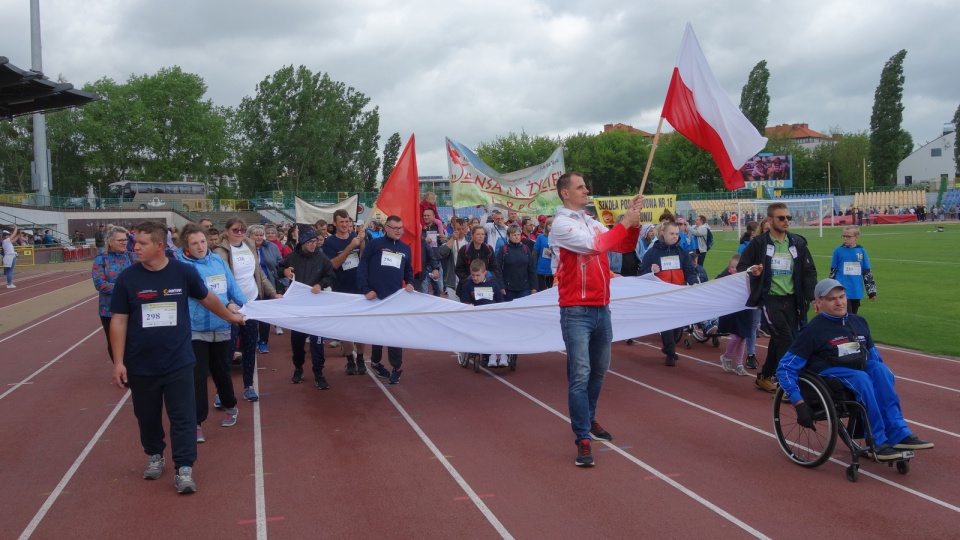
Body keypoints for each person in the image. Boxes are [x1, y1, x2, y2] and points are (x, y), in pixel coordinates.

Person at [109, 220, 245, 494]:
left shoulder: (183, 273)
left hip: (179, 360)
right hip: (141, 364)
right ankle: (155, 454)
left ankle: (184, 468)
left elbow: (208, 298)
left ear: (159, 246)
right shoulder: (127, 278)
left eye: (142, 243)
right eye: (135, 243)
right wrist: (119, 362)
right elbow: (119, 321)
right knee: (146, 416)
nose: (135, 248)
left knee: (183, 416)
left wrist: (230, 316)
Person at [777, 279, 934, 460]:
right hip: (830, 375)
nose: (839, 302)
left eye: (842, 297)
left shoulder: (859, 322)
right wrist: (799, 402)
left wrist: (882, 376)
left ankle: (899, 433)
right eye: (832, 299)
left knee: (881, 371)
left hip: (858, 370)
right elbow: (785, 367)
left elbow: (874, 358)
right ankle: (876, 440)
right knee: (861, 378)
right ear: (819, 303)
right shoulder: (812, 331)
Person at [549, 172, 641, 467]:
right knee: (580, 374)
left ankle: (588, 419)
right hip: (576, 309)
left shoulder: (591, 220)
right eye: (580, 187)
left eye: (586, 186)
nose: (586, 190)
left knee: (599, 370)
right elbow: (596, 246)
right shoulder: (561, 225)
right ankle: (582, 437)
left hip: (602, 308)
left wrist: (634, 222)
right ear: (565, 193)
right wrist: (624, 222)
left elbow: (622, 246)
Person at [737, 203, 818, 393]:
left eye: (788, 218)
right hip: (769, 300)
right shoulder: (759, 243)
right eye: (781, 218)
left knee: (779, 340)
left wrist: (814, 298)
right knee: (787, 340)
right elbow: (742, 268)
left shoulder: (797, 243)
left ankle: (764, 376)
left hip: (793, 300)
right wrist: (753, 272)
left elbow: (808, 273)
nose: (786, 221)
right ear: (770, 220)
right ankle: (787, 385)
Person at [176, 224, 247, 442]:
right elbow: (202, 295)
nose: (199, 246)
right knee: (197, 377)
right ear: (186, 246)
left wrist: (245, 307)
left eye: (203, 241)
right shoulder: (181, 267)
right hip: (196, 328)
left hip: (222, 326)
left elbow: (232, 288)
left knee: (221, 372)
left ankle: (231, 405)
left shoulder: (218, 261)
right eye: (194, 243)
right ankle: (196, 422)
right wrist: (228, 305)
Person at [213, 218, 280, 402]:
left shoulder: (250, 245)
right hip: (232, 307)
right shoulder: (220, 251)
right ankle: (222, 391)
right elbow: (220, 280)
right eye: (235, 230)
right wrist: (227, 304)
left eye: (242, 229)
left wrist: (273, 293)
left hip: (251, 303)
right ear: (226, 231)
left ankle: (248, 385)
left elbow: (259, 273)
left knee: (250, 346)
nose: (239, 233)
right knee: (228, 350)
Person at [357, 215, 415, 385]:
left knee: (394, 334)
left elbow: (408, 272)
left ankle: (397, 368)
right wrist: (366, 289)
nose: (399, 231)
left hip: (394, 299)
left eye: (401, 228)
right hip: (374, 298)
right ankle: (375, 362)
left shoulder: (405, 249)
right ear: (386, 228)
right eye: (395, 228)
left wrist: (410, 283)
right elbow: (363, 266)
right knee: (378, 333)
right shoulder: (375, 245)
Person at [279, 224, 336, 388]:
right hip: (298, 307)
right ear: (302, 242)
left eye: (316, 241)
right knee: (297, 342)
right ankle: (298, 367)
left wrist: (320, 284)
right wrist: (285, 272)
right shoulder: (292, 257)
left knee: (317, 342)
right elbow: (280, 267)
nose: (314, 244)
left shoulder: (322, 258)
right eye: (310, 241)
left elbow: (330, 276)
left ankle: (318, 371)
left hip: (315, 307)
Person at [640, 221, 697, 366]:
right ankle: (671, 353)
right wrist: (650, 270)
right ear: (662, 234)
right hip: (661, 294)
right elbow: (641, 272)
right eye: (672, 233)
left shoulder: (681, 252)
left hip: (678, 293)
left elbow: (689, 271)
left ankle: (668, 347)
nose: (675, 236)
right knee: (667, 325)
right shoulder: (652, 252)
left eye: (677, 234)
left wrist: (694, 282)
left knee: (677, 326)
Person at [322, 209, 368, 375]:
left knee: (361, 327)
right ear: (334, 223)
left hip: (359, 288)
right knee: (345, 328)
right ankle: (350, 360)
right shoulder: (330, 243)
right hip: (340, 289)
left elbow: (364, 260)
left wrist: (361, 243)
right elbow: (333, 265)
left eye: (347, 221)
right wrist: (350, 247)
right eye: (341, 222)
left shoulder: (355, 238)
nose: (345, 225)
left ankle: (361, 358)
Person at [91, 226, 138, 361]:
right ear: (110, 242)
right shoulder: (101, 260)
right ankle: (121, 368)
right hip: (109, 309)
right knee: (115, 342)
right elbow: (99, 283)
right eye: (120, 240)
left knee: (134, 340)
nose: (124, 242)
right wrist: (124, 289)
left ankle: (134, 370)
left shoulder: (133, 257)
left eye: (125, 240)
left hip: (132, 307)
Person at [458, 259, 509, 367]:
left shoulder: (493, 284)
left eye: (478, 275)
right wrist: (469, 305)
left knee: (502, 327)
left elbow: (500, 301)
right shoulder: (468, 285)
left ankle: (503, 354)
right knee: (487, 329)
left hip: (493, 315)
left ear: (485, 273)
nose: (475, 278)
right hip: (477, 317)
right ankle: (491, 355)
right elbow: (465, 301)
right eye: (473, 275)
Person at [717, 254, 756, 376]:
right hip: (734, 311)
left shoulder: (747, 277)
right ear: (729, 266)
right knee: (736, 337)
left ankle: (739, 364)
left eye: (738, 268)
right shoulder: (726, 276)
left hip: (746, 311)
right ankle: (727, 356)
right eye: (733, 267)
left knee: (743, 337)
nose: (735, 270)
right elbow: (716, 283)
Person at [248, 224, 282, 353]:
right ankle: (252, 338)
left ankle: (263, 341)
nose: (259, 237)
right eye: (256, 235)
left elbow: (280, 262)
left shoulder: (271, 246)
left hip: (269, 285)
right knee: (251, 315)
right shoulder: (245, 248)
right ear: (249, 236)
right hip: (251, 286)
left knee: (264, 315)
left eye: (261, 235)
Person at [829, 226, 877, 315]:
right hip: (842, 290)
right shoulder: (838, 251)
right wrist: (830, 288)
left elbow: (867, 272)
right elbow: (833, 272)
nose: (845, 238)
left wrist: (871, 291)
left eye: (848, 236)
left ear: (856, 237)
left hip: (856, 290)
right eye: (843, 236)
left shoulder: (861, 251)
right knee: (845, 314)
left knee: (853, 315)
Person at [455, 225, 499, 299]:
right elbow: (459, 269)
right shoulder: (464, 250)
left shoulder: (489, 249)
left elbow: (494, 268)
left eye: (482, 234)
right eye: (478, 234)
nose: (481, 236)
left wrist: (487, 278)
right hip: (468, 286)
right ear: (472, 235)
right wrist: (468, 280)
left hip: (486, 286)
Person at [497, 225, 537, 301]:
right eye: (514, 235)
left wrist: (534, 287)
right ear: (509, 236)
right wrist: (501, 286)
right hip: (508, 288)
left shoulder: (525, 248)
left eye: (518, 235)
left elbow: (531, 269)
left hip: (524, 288)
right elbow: (498, 269)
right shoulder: (504, 249)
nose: (516, 237)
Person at [436, 217, 468, 298]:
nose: (460, 231)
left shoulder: (470, 241)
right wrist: (453, 239)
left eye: (462, 228)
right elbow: (441, 253)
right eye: (458, 228)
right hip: (452, 280)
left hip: (467, 279)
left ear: (466, 229)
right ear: (453, 228)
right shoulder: (448, 239)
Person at [532, 217, 555, 290]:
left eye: (553, 225)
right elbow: (535, 254)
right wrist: (534, 269)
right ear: (546, 226)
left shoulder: (558, 238)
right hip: (541, 270)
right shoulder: (540, 237)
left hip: (553, 272)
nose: (551, 227)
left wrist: (552, 254)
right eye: (550, 225)